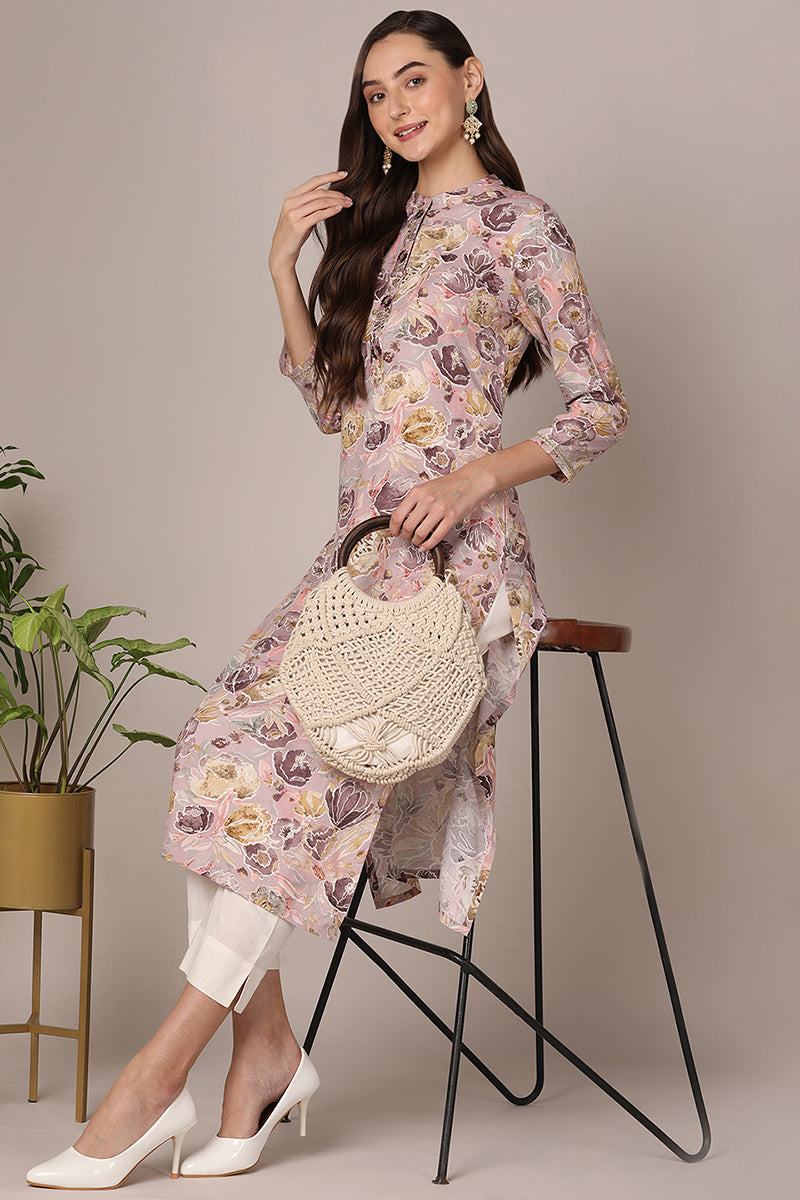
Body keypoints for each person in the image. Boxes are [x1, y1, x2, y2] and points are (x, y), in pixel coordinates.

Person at [27, 8, 627, 1189]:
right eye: (375, 93)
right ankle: (266, 1055)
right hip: (358, 566)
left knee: (287, 779)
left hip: (459, 571)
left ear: (468, 79)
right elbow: (333, 410)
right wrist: (282, 271)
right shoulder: (380, 232)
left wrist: (477, 475)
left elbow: (600, 403)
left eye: (414, 80)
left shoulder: (520, 226)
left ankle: (152, 1081)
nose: (396, 108)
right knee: (217, 750)